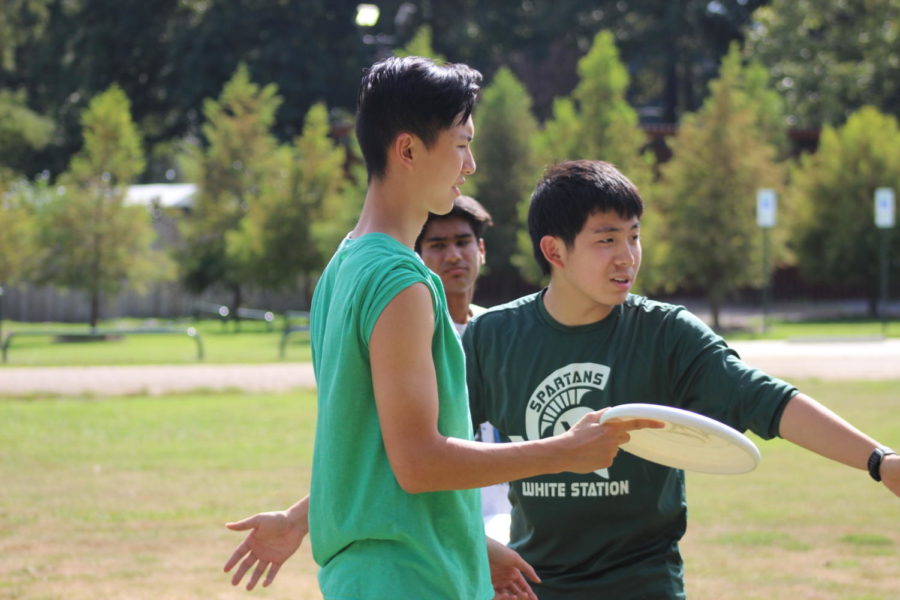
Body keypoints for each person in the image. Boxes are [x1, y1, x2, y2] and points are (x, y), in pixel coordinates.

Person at [222, 59, 661, 600]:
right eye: (460, 144)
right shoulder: (401, 279)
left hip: (377, 573)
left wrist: (469, 544)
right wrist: (567, 451)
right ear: (407, 150)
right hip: (412, 579)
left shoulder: (345, 264)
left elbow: (372, 453)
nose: (471, 164)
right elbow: (418, 462)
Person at [462, 159, 900, 599]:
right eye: (607, 239)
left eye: (634, 236)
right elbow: (431, 453)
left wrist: (879, 461)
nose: (627, 256)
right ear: (555, 251)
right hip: (532, 587)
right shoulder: (493, 336)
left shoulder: (667, 332)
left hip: (645, 584)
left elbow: (767, 401)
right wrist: (477, 545)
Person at [415, 195, 513, 544]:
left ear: (481, 249)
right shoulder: (412, 339)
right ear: (419, 257)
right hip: (445, 526)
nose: (454, 255)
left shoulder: (505, 329)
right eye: (438, 245)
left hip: (512, 519)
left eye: (463, 242)